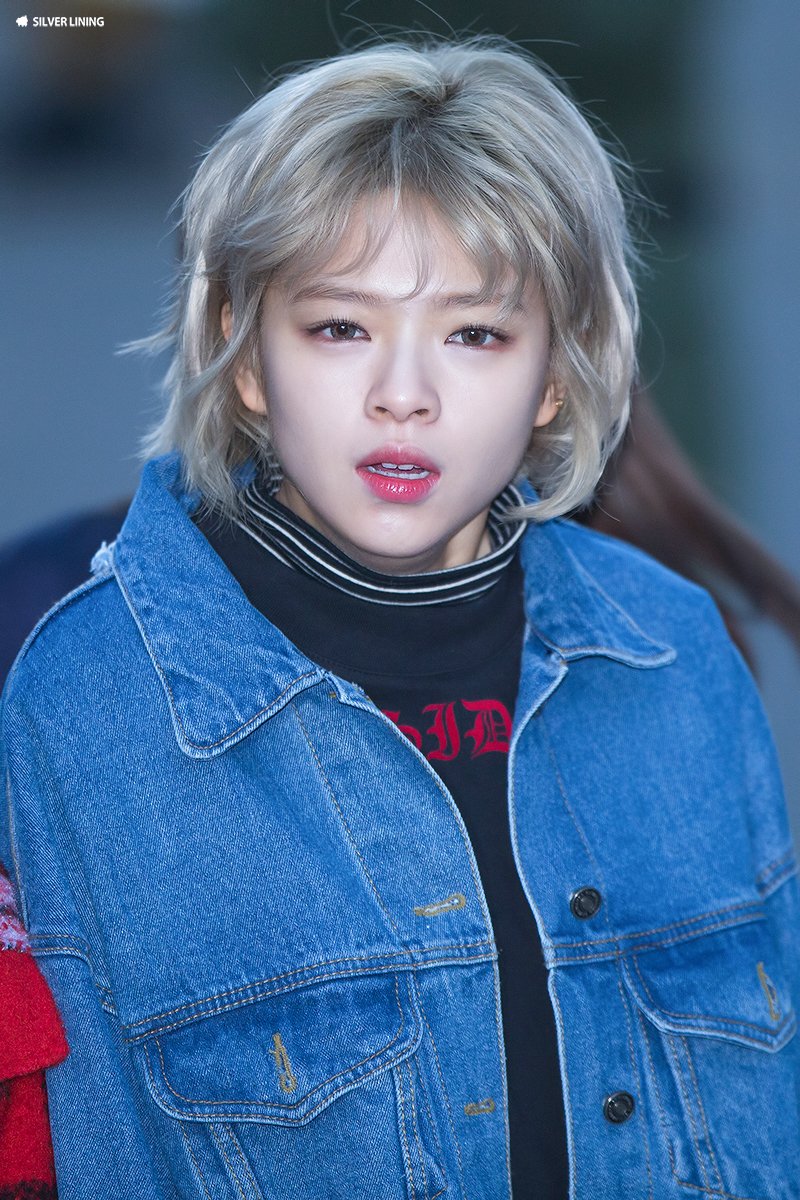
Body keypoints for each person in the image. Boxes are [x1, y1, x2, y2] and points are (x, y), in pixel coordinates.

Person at [1, 37, 798, 1200]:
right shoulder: (85, 701)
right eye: (340, 327)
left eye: (476, 333)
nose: (403, 396)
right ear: (244, 356)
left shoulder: (672, 651)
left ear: (556, 374)